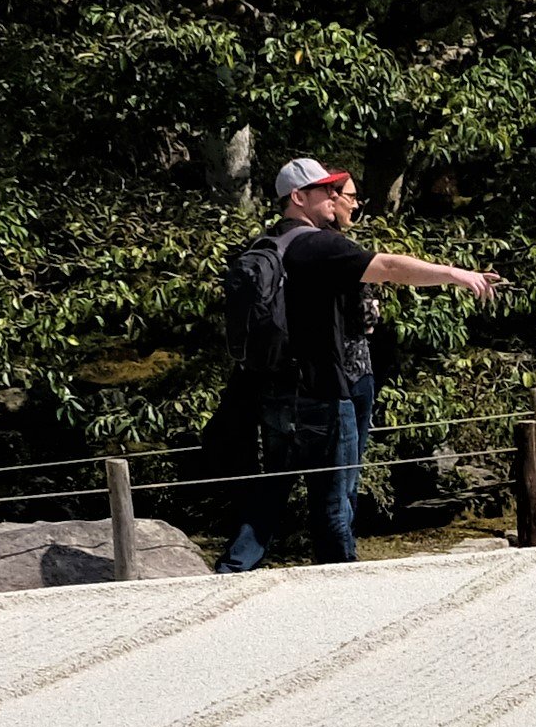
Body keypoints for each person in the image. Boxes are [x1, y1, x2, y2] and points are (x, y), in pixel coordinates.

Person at [212, 158, 501, 571]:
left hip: (275, 393)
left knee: (271, 488)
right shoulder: (316, 245)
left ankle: (233, 570)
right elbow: (387, 266)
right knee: (335, 501)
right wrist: (455, 273)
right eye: (325, 190)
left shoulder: (269, 245)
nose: (334, 197)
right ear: (298, 197)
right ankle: (343, 580)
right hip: (323, 395)